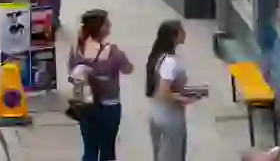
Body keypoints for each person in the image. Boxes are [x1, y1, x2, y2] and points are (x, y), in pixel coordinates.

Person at [68, 9, 134, 161]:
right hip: (109, 105)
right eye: (106, 23)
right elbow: (128, 69)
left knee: (89, 149)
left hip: (86, 104)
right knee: (107, 150)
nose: (110, 25)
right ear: (98, 28)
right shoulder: (112, 52)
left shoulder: (77, 49)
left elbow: (72, 72)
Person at [147, 20, 200, 161]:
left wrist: (192, 91)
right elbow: (163, 92)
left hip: (157, 115)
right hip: (170, 119)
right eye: (182, 31)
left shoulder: (159, 57)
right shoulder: (170, 62)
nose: (185, 33)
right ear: (174, 36)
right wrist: (185, 99)